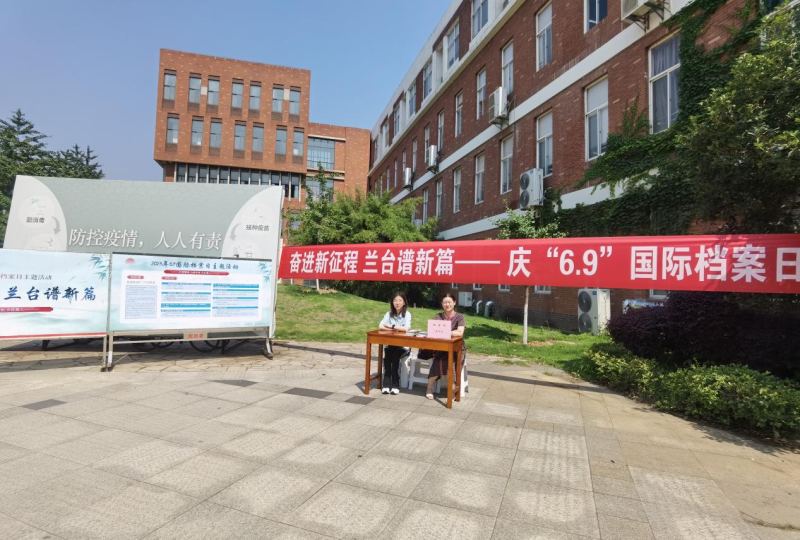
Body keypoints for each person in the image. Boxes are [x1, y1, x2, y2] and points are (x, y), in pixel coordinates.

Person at [425, 292, 466, 399]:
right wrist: (449, 332)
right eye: (445, 302)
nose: (447, 304)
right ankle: (429, 388)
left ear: (454, 302)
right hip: (443, 348)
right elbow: (433, 330)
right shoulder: (438, 316)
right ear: (442, 304)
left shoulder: (460, 317)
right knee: (438, 361)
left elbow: (460, 333)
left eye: (449, 302)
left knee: (452, 363)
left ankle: (452, 389)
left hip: (457, 349)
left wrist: (446, 332)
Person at [379, 292, 412, 395]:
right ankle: (386, 384)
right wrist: (395, 329)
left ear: (404, 302)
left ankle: (395, 384)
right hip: (390, 344)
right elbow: (380, 326)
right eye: (395, 300)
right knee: (387, 357)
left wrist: (391, 326)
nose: (397, 303)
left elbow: (406, 329)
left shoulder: (407, 314)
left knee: (395, 356)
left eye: (400, 301)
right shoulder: (388, 314)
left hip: (403, 346)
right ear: (392, 302)